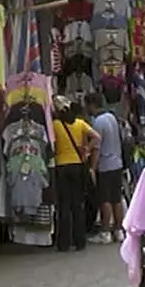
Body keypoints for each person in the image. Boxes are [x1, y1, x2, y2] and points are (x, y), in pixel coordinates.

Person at [51, 96, 99, 252]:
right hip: (78, 166)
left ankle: (64, 242)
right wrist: (87, 149)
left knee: (64, 206)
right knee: (78, 205)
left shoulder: (55, 125)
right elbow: (97, 136)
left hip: (61, 166)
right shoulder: (79, 123)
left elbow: (51, 144)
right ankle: (80, 241)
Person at [88, 92, 126, 243]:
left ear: (92, 105)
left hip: (105, 165)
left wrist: (92, 167)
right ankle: (119, 230)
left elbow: (96, 147)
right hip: (117, 162)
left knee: (105, 199)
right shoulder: (112, 117)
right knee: (116, 198)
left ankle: (105, 231)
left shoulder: (98, 122)